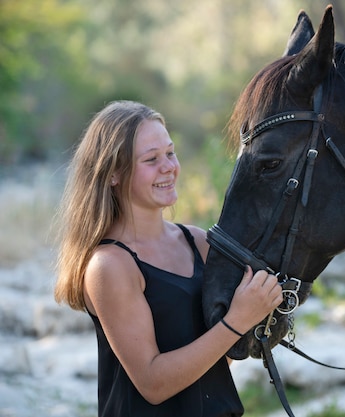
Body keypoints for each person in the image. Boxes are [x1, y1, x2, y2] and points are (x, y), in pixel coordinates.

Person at [54, 100, 283, 416]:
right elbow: (153, 384)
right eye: (151, 159)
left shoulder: (199, 242)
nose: (169, 167)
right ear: (113, 174)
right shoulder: (110, 265)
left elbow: (217, 358)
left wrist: (260, 307)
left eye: (170, 153)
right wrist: (237, 320)